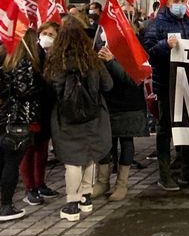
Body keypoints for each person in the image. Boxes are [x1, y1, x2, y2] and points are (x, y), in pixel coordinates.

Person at [44, 18, 113, 222]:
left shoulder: (56, 61)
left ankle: (72, 204)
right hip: (94, 116)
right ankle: (86, 197)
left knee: (72, 160)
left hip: (66, 118)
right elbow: (108, 85)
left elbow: (51, 89)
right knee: (90, 156)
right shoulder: (92, 59)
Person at [141, 0, 189, 190]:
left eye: (183, 1)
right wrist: (164, 45)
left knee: (188, 127)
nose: (180, 4)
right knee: (165, 130)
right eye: (176, 1)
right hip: (167, 84)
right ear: (167, 4)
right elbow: (148, 54)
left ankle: (187, 171)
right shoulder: (156, 26)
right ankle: (165, 174)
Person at [0, 30, 43, 221]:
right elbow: (23, 91)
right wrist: (40, 85)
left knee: (3, 162)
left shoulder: (3, 57)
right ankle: (5, 206)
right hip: (18, 119)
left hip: (3, 118)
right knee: (11, 163)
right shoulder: (23, 62)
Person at [97, 45, 148, 201]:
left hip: (128, 105)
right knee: (105, 144)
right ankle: (102, 182)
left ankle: (121, 184)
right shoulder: (100, 48)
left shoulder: (133, 49)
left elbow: (132, 79)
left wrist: (111, 61)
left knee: (126, 142)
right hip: (107, 104)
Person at [19, 22, 61, 207]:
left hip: (46, 109)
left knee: (41, 150)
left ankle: (40, 183)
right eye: (44, 33)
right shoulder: (30, 54)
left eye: (51, 34)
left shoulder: (53, 55)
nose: (47, 37)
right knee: (28, 150)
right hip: (31, 111)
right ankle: (30, 188)